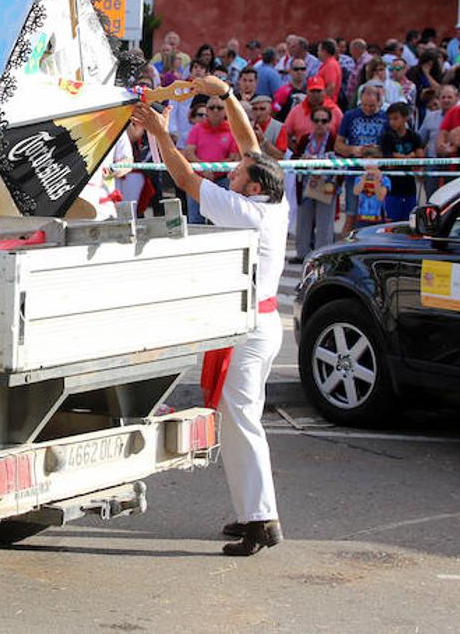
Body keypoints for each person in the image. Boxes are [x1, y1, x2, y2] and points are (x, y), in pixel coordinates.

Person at [133, 76, 288, 557]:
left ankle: (261, 520)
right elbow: (251, 144)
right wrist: (225, 96)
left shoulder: (246, 210)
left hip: (251, 329)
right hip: (261, 325)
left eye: (239, 174)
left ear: (254, 186)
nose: (231, 174)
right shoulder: (273, 201)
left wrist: (161, 133)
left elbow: (184, 179)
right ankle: (251, 512)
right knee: (240, 420)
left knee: (241, 423)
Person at [336, 84, 388, 234]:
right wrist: (354, 150)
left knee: (379, 216)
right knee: (351, 215)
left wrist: (377, 151)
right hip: (356, 172)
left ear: (379, 102)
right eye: (364, 105)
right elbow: (338, 145)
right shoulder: (350, 116)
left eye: (372, 105)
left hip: (379, 173)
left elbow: (391, 146)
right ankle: (342, 251)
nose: (368, 109)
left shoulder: (385, 117)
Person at [182, 94, 240, 225]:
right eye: (212, 107)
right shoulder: (197, 129)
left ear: (225, 111)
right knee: (195, 221)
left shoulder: (231, 130)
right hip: (198, 179)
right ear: (207, 110)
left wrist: (212, 170)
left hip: (222, 180)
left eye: (219, 108)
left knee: (222, 221)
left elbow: (233, 158)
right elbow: (189, 153)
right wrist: (205, 169)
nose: (215, 111)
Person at [292, 108, 337, 262]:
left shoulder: (333, 139)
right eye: (316, 120)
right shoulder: (305, 139)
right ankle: (302, 254)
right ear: (311, 122)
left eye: (323, 121)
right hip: (305, 184)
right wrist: (303, 160)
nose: (319, 124)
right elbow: (294, 158)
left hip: (326, 184)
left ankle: (322, 255)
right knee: (303, 220)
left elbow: (340, 162)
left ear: (329, 123)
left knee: (324, 222)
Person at [378, 102, 425, 221]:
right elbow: (389, 162)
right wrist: (408, 158)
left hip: (409, 186)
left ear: (405, 118)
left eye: (395, 118)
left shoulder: (414, 136)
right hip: (391, 186)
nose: (392, 122)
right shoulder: (386, 137)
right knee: (391, 221)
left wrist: (402, 158)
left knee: (410, 221)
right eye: (390, 119)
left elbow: (419, 159)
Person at [351, 162, 390, 228]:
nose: (369, 165)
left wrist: (376, 180)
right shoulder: (359, 178)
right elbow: (356, 192)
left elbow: (380, 197)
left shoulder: (385, 179)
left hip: (378, 218)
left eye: (372, 163)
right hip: (362, 217)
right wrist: (363, 179)